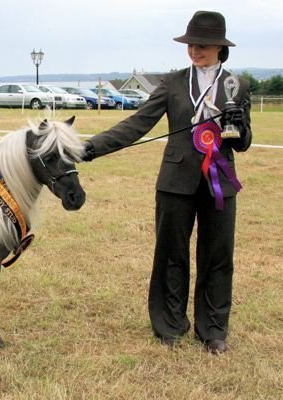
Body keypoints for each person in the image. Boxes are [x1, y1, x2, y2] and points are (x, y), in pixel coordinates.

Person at [81, 11, 252, 354]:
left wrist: (239, 127)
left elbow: (243, 141)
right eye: (190, 45)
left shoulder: (238, 85)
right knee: (170, 255)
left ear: (220, 47)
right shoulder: (173, 83)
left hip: (220, 182)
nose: (194, 51)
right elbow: (138, 123)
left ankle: (213, 330)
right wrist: (92, 146)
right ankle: (170, 326)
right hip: (175, 182)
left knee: (217, 256)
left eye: (201, 45)